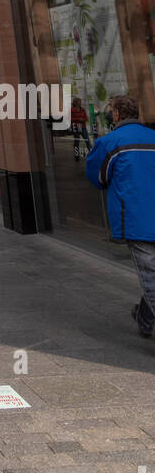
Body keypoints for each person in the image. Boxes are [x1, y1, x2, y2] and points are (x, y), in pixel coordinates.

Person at [86, 94, 155, 337]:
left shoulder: (110, 142)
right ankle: (145, 321)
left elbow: (98, 177)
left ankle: (148, 320)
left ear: (115, 115)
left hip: (135, 217)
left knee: (151, 275)